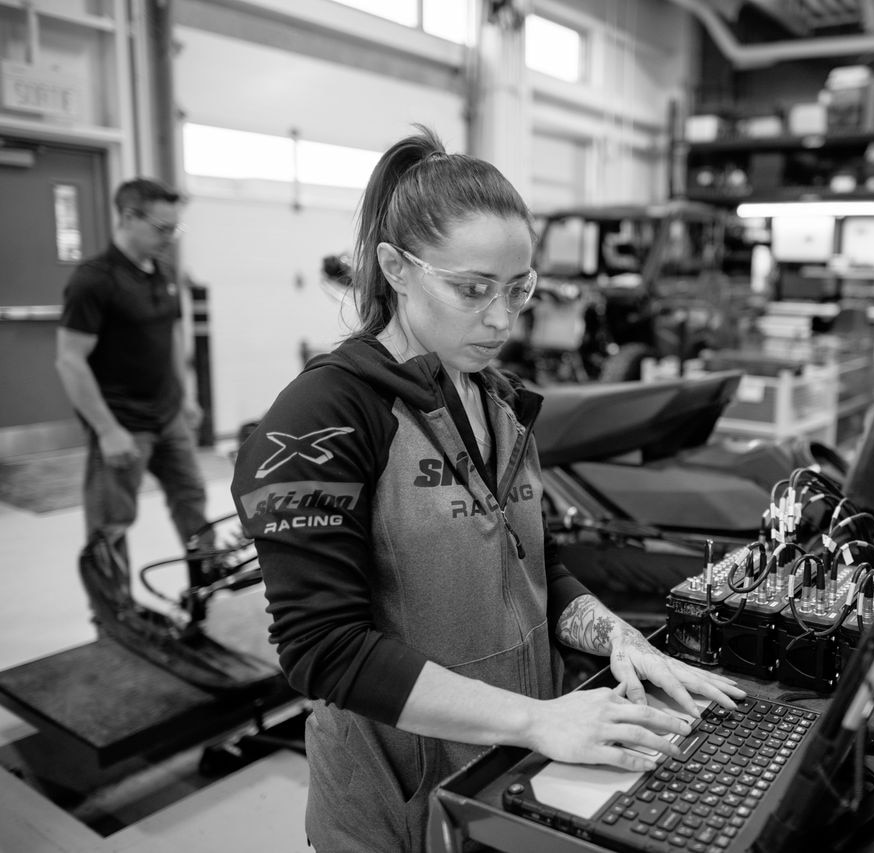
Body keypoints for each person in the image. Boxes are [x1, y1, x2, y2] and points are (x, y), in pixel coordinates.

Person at [230, 125, 744, 852]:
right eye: (472, 290)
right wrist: (537, 720)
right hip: (397, 808)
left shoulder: (499, 403)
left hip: (508, 777)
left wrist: (623, 640)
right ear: (396, 268)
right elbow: (324, 648)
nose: (501, 319)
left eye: (518, 289)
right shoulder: (326, 414)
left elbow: (542, 569)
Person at [55, 178, 210, 569]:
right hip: (123, 423)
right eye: (162, 228)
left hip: (169, 416)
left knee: (193, 504)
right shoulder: (94, 280)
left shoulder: (163, 272)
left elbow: (169, 336)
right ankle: (112, 626)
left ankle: (208, 596)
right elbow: (69, 360)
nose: (170, 237)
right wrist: (107, 430)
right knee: (111, 526)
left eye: (175, 228)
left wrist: (185, 395)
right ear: (128, 217)